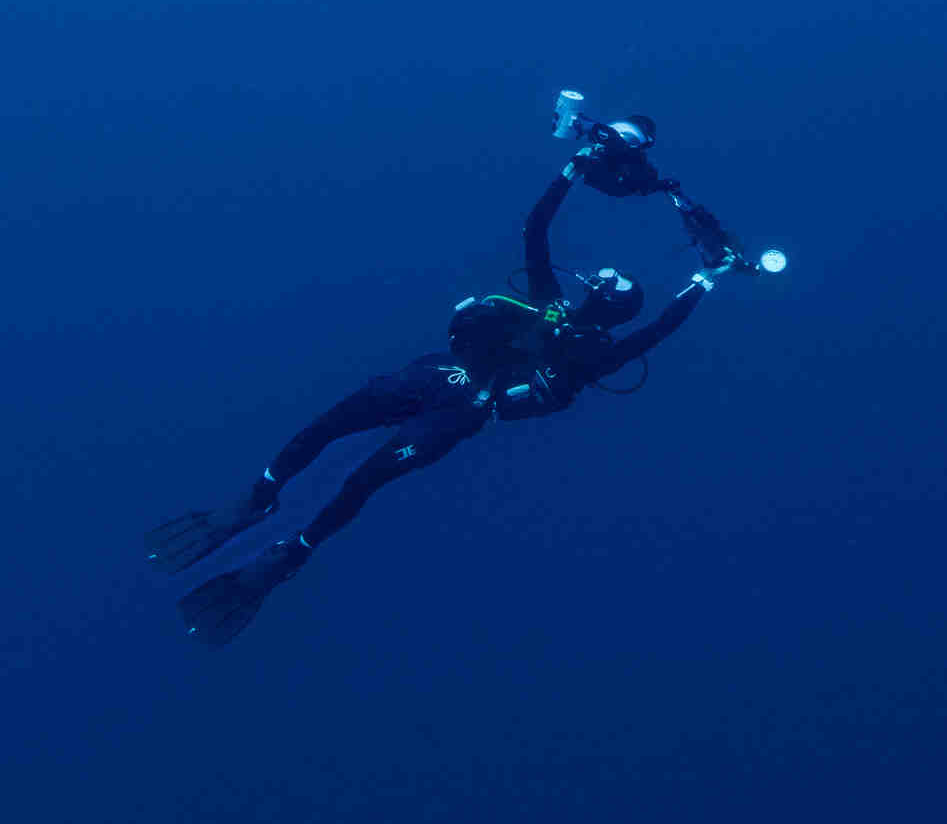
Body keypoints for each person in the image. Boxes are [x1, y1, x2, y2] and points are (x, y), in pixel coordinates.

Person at [145, 138, 740, 648]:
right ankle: (267, 509)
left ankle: (283, 540)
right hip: (448, 388)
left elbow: (649, 328)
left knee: (361, 473)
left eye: (613, 280)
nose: (602, 274)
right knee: (337, 437)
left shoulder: (593, 346)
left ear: (612, 302)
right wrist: (574, 170)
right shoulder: (556, 304)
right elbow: (539, 230)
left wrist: (700, 280)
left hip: (459, 403)